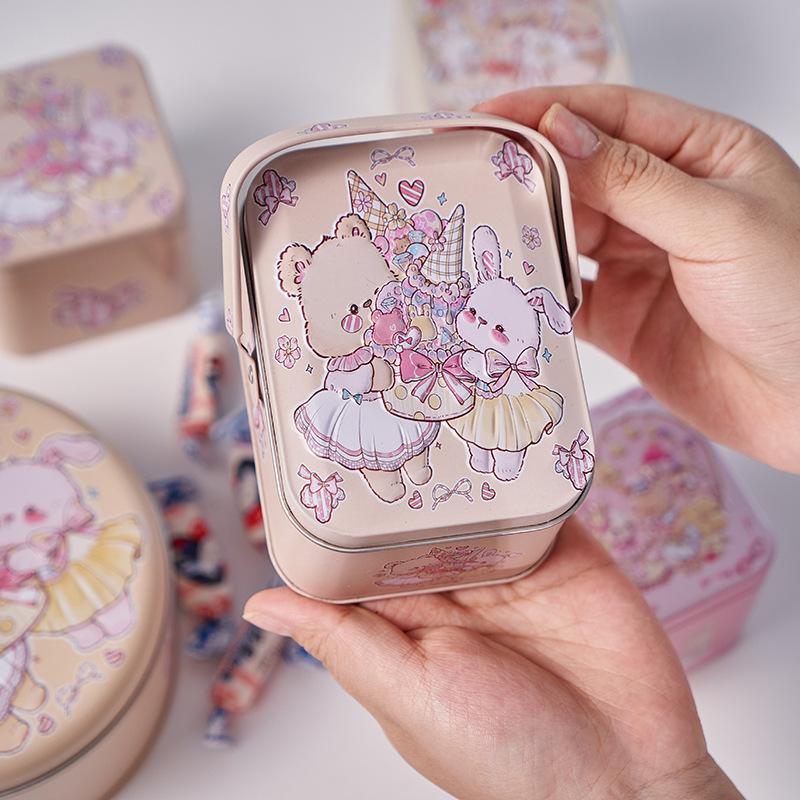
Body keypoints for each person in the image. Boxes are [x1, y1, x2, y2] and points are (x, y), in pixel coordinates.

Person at [243, 86, 800, 800]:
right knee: (382, 442)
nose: (367, 311)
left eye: (373, 297)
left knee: (452, 437)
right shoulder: (350, 321)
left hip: (471, 461)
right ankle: (399, 471)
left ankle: (419, 466)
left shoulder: (433, 318)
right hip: (360, 443)